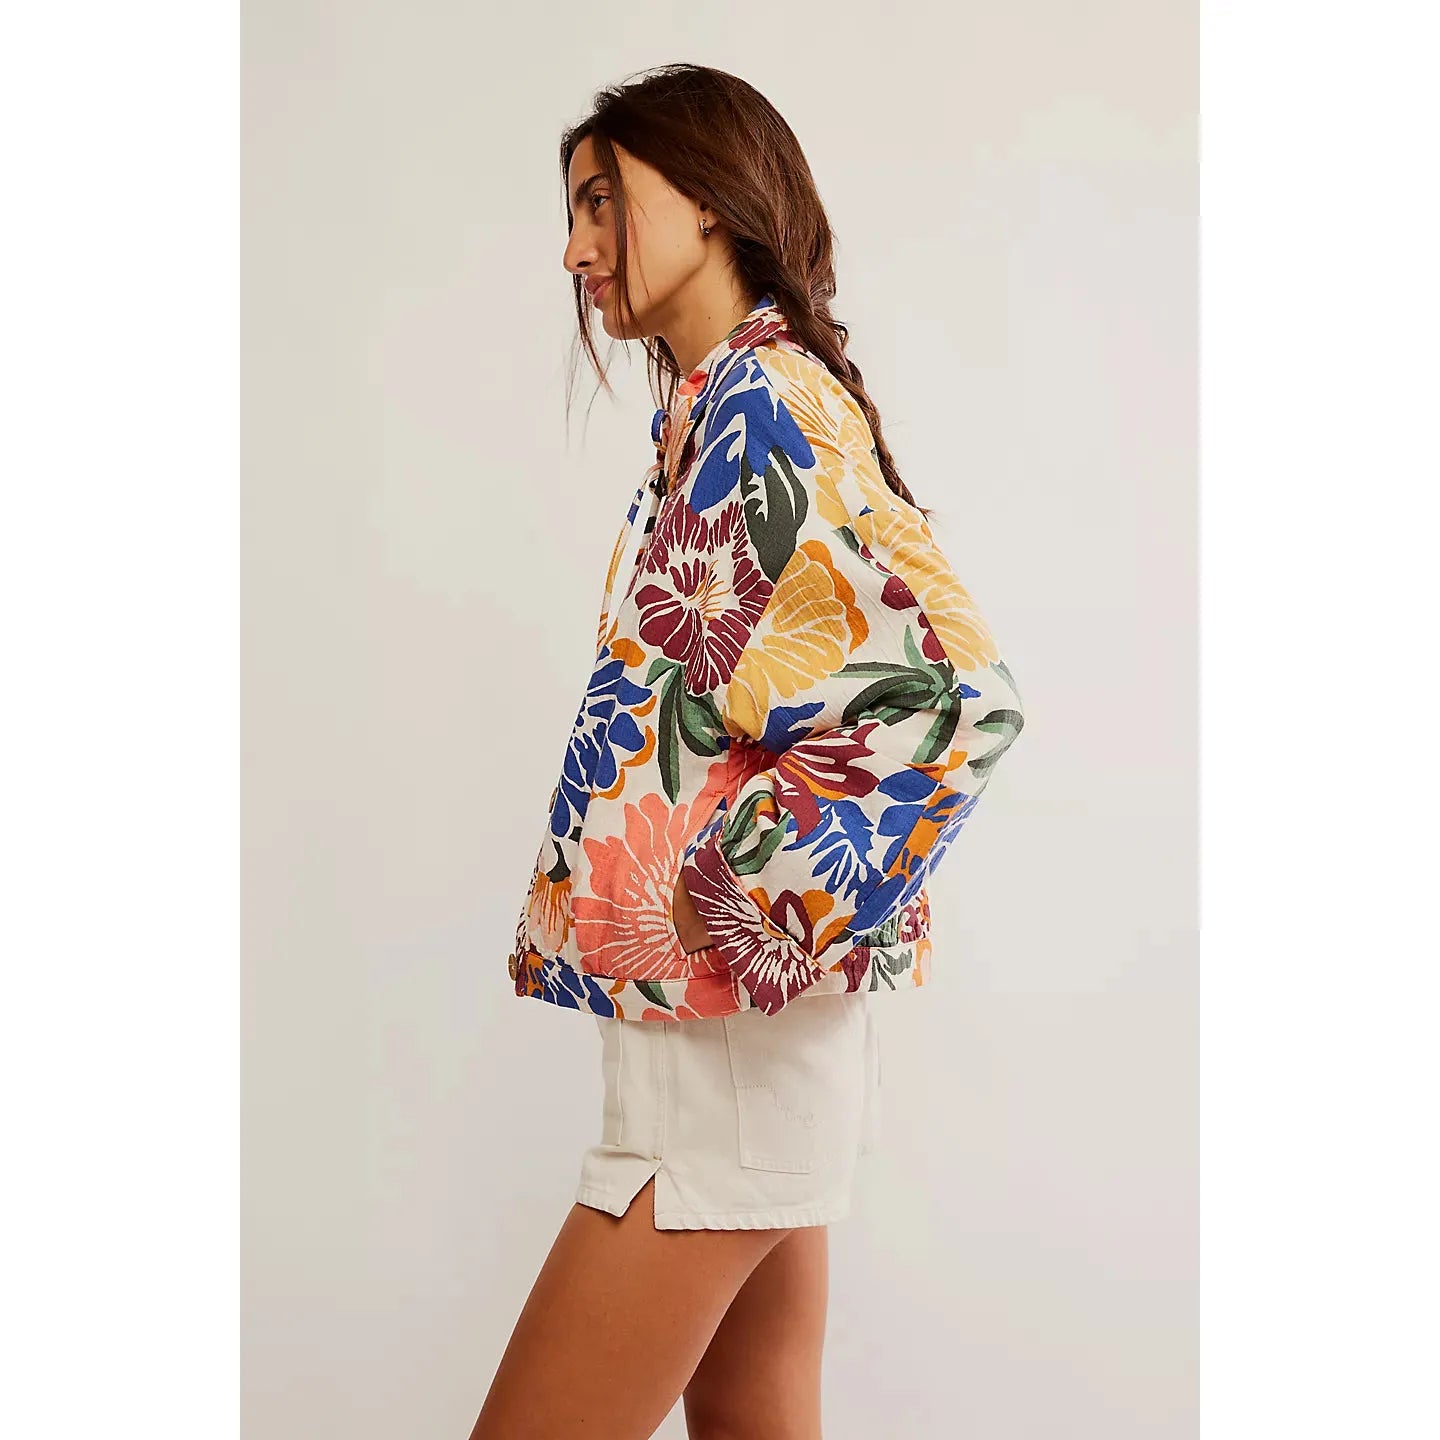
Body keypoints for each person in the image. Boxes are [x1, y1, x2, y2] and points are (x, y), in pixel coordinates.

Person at [472, 63, 1025, 1440]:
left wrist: (742, 899)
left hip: (719, 1058)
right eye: (571, 211)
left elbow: (953, 697)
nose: (575, 248)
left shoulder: (763, 411)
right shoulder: (725, 410)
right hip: (739, 1057)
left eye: (601, 201)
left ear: (709, 199)